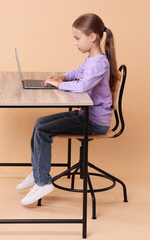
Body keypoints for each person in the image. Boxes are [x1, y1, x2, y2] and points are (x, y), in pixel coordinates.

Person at [17, 13, 118, 205]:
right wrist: (62, 77)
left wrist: (57, 85)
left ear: (93, 37)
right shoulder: (93, 59)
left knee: (43, 131)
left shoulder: (99, 64)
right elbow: (79, 72)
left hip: (95, 123)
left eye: (78, 38)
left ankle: (43, 182)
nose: (75, 43)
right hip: (86, 115)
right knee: (40, 123)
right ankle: (38, 172)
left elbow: (83, 87)